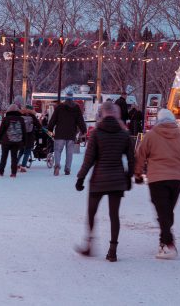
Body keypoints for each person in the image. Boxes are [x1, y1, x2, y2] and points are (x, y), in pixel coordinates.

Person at [134, 109, 180, 259]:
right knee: (167, 211)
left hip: (156, 179)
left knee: (163, 212)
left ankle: (169, 244)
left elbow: (141, 155)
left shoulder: (151, 136)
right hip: (176, 180)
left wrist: (138, 173)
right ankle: (163, 243)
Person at [75, 102, 135, 262]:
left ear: (101, 114)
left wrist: (80, 178)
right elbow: (131, 159)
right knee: (114, 215)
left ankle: (88, 245)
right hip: (117, 180)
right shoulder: (124, 134)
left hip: (99, 179)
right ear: (117, 115)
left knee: (91, 212)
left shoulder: (96, 133)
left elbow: (89, 159)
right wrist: (129, 178)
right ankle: (113, 250)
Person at [48, 91, 87, 176]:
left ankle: (57, 166)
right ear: (72, 98)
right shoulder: (76, 107)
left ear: (65, 98)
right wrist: (84, 130)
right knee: (69, 153)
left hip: (60, 133)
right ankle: (67, 169)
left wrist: (50, 129)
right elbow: (80, 121)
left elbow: (53, 119)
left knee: (58, 151)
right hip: (71, 134)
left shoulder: (59, 107)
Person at [0, 104, 27, 178]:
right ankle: (13, 173)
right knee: (14, 157)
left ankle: (0, 171)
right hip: (16, 141)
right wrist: (24, 142)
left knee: (4, 156)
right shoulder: (21, 119)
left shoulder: (6, 119)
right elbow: (24, 132)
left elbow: (1, 131)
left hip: (6, 141)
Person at [18, 103, 42, 173]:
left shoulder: (21, 116)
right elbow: (39, 126)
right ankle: (23, 166)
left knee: (21, 151)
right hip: (30, 137)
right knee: (27, 151)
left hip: (22, 136)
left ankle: (15, 164)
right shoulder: (32, 116)